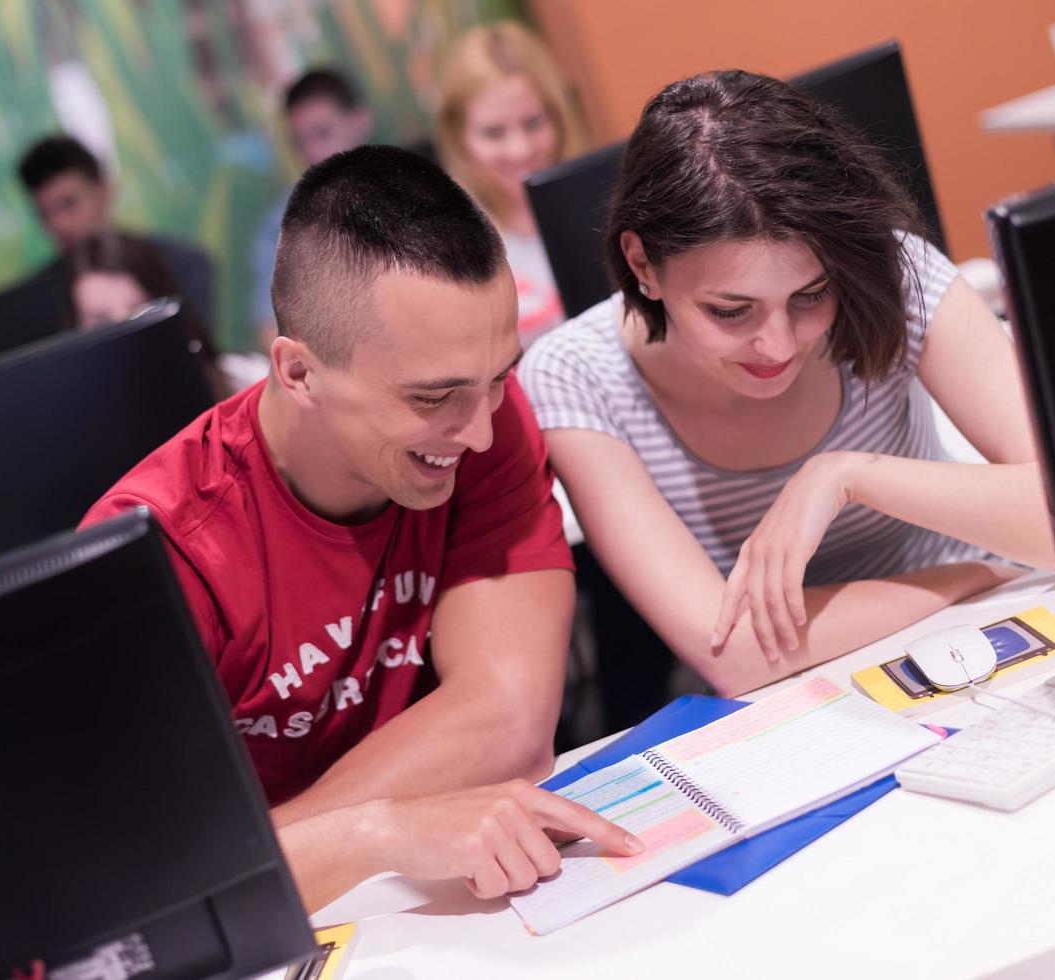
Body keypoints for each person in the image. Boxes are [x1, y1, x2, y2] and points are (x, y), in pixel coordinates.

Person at [81, 145, 640, 910]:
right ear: (299, 372)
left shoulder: (484, 421)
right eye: (433, 396)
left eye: (499, 376)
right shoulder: (162, 547)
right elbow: (152, 889)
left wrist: (287, 849)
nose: (479, 432)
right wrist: (372, 834)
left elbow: (510, 727)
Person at [519, 70, 1055, 702]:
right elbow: (736, 652)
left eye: (810, 295)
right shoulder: (575, 376)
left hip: (986, 636)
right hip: (798, 700)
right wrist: (973, 575)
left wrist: (847, 474)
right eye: (729, 311)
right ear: (642, 264)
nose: (777, 346)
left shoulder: (890, 274)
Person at [436, 21, 586, 346]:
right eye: (494, 133)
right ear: (458, 138)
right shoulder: (449, 249)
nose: (520, 150)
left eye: (533, 123)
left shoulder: (606, 208)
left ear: (559, 116)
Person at [16, 134, 216, 328]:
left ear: (104, 191)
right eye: (44, 214)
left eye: (69, 204)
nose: (59, 224)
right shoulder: (34, 302)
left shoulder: (182, 264)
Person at [248, 68, 374, 353]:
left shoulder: (415, 189)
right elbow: (270, 331)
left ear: (360, 122)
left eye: (322, 133)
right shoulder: (279, 227)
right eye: (300, 141)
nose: (312, 152)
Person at [64, 232, 268, 398]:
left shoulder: (250, 380)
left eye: (140, 311)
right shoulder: (74, 425)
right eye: (102, 321)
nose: (125, 336)